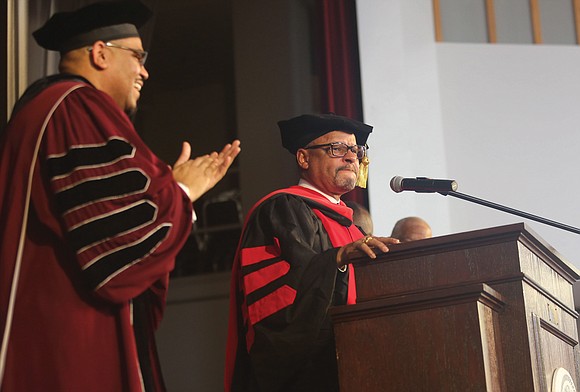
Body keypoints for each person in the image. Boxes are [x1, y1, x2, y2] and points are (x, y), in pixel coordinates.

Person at [0, 1, 240, 391]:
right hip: (68, 336)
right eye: (138, 56)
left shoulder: (46, 109)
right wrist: (180, 191)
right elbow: (116, 248)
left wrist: (170, 194)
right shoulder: (76, 107)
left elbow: (107, 209)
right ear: (100, 54)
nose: (145, 70)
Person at [225, 113, 399, 391]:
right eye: (337, 149)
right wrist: (338, 259)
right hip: (308, 377)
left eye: (355, 150)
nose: (351, 157)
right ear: (304, 158)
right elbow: (279, 304)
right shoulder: (283, 209)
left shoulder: (353, 229)